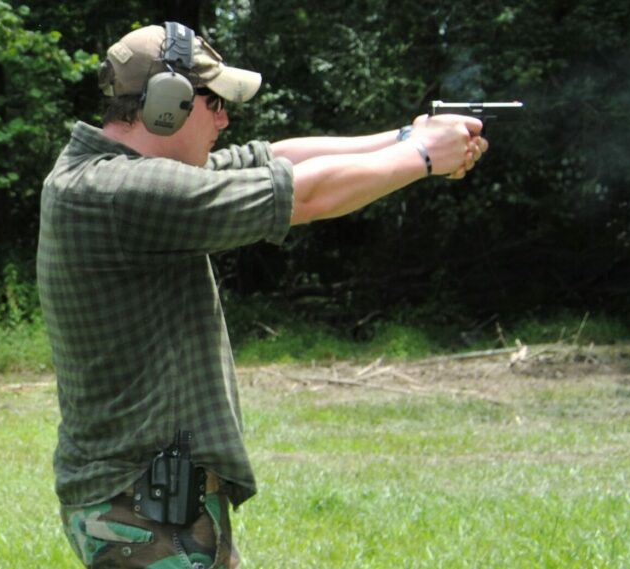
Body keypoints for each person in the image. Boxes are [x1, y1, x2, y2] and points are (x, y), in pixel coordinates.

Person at [37, 21, 487, 569]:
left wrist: (403, 138)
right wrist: (421, 159)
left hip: (148, 499)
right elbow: (305, 195)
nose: (225, 117)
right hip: (143, 508)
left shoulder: (122, 176)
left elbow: (275, 158)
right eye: (213, 101)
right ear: (167, 103)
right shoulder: (120, 192)